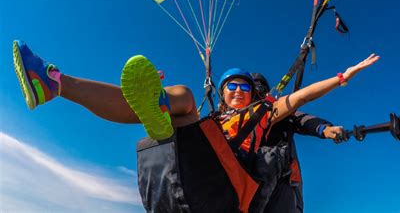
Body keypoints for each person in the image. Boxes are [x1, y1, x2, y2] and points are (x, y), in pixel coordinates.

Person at [12, 40, 379, 212]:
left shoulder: (265, 111)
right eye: (230, 86)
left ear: (253, 92)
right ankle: (55, 83)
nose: (237, 90)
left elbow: (301, 100)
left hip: (230, 190)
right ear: (222, 93)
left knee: (184, 97)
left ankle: (161, 110)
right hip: (196, 173)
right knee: (181, 104)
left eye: (243, 86)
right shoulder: (214, 118)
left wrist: (343, 76)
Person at [251, 73, 343, 213]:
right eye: (252, 89)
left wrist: (323, 129)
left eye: (260, 89)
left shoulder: (276, 111)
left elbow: (300, 119)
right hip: (248, 179)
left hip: (283, 180)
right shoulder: (233, 119)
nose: (256, 93)